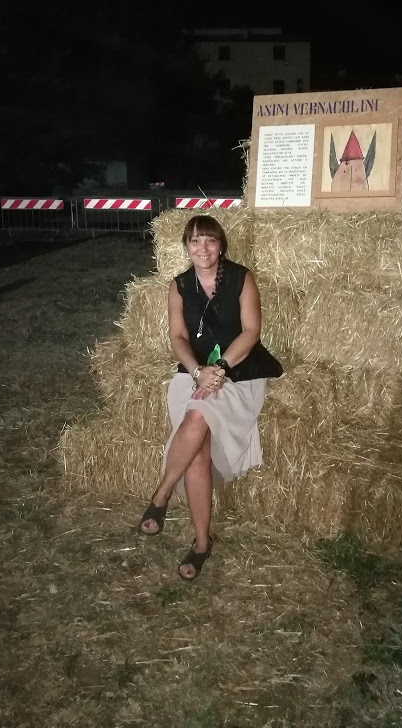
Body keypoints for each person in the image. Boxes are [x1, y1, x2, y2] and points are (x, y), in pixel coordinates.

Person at [138, 214, 281, 581]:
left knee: (197, 415)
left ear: (221, 246)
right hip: (193, 372)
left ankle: (162, 494)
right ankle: (202, 543)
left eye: (210, 241)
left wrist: (218, 369)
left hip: (239, 373)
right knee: (197, 450)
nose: (203, 248)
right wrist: (197, 370)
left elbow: (251, 332)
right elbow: (178, 338)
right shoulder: (179, 286)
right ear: (186, 246)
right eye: (195, 241)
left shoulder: (241, 278)